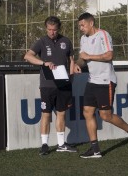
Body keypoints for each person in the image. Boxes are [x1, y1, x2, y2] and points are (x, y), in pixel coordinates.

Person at [73, 12, 128, 158]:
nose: (81, 28)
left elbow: (109, 55)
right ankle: (95, 149)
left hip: (106, 81)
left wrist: (89, 56)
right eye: (79, 26)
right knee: (87, 112)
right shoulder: (83, 39)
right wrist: (77, 65)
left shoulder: (103, 34)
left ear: (91, 23)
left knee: (105, 116)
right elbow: (82, 59)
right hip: (92, 80)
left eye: (82, 25)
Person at [24, 16, 77, 155]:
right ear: (46, 28)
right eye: (49, 29)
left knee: (61, 114)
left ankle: (61, 144)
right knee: (46, 115)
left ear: (59, 29)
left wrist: (71, 77)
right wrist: (43, 63)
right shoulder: (41, 41)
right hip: (47, 86)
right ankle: (44, 145)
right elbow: (28, 56)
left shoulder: (66, 41)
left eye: (54, 29)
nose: (52, 32)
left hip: (63, 84)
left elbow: (71, 60)